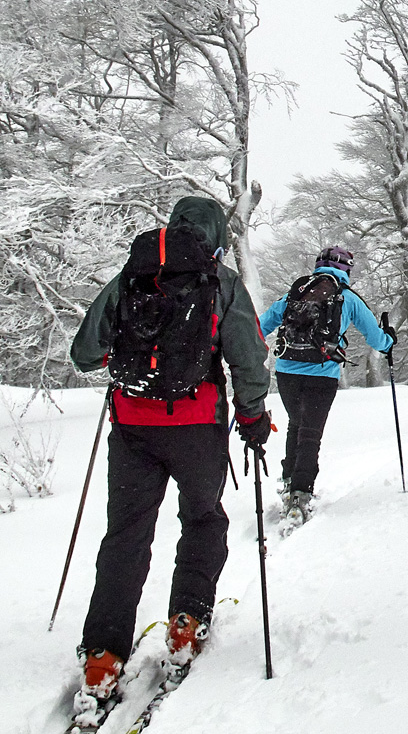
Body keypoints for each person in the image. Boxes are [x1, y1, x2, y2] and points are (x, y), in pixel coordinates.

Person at [68, 196, 272, 714]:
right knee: (202, 519)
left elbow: (85, 354)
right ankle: (186, 623)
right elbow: (247, 357)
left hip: (132, 426)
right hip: (197, 426)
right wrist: (252, 417)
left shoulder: (131, 276)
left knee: (126, 535)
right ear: (217, 237)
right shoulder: (220, 282)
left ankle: (102, 658)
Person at [258, 245, 395, 527]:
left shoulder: (294, 293)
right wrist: (389, 341)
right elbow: (374, 336)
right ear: (346, 269)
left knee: (296, 423)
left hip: (286, 371)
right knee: (311, 431)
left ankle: (289, 481)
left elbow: (261, 325)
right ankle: (300, 494)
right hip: (322, 373)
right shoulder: (347, 298)